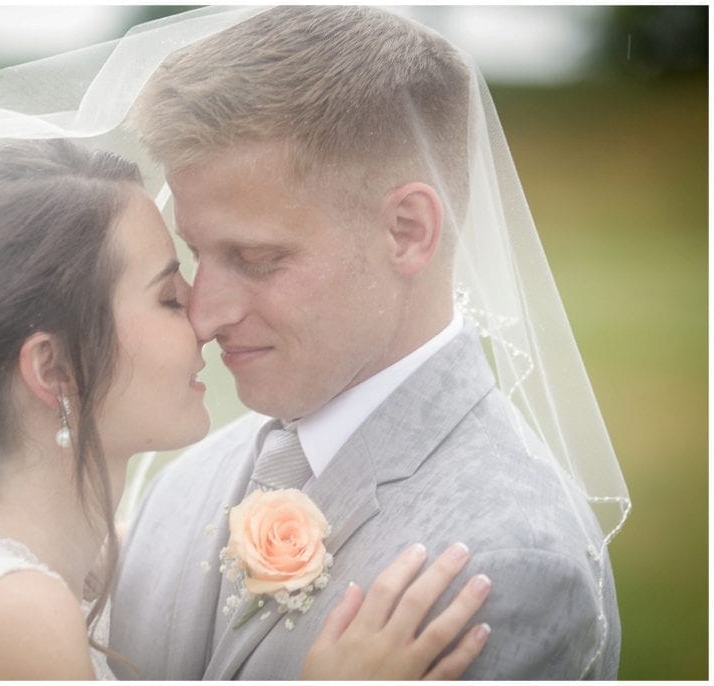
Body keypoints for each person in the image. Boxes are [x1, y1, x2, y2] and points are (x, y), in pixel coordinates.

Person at [0, 133, 494, 678]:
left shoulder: (92, 556)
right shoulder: (11, 614)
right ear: (55, 369)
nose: (209, 316)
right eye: (168, 297)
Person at [110, 5, 630, 680]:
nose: (203, 317)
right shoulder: (182, 477)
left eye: (258, 258)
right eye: (197, 253)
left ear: (408, 231)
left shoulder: (503, 566)